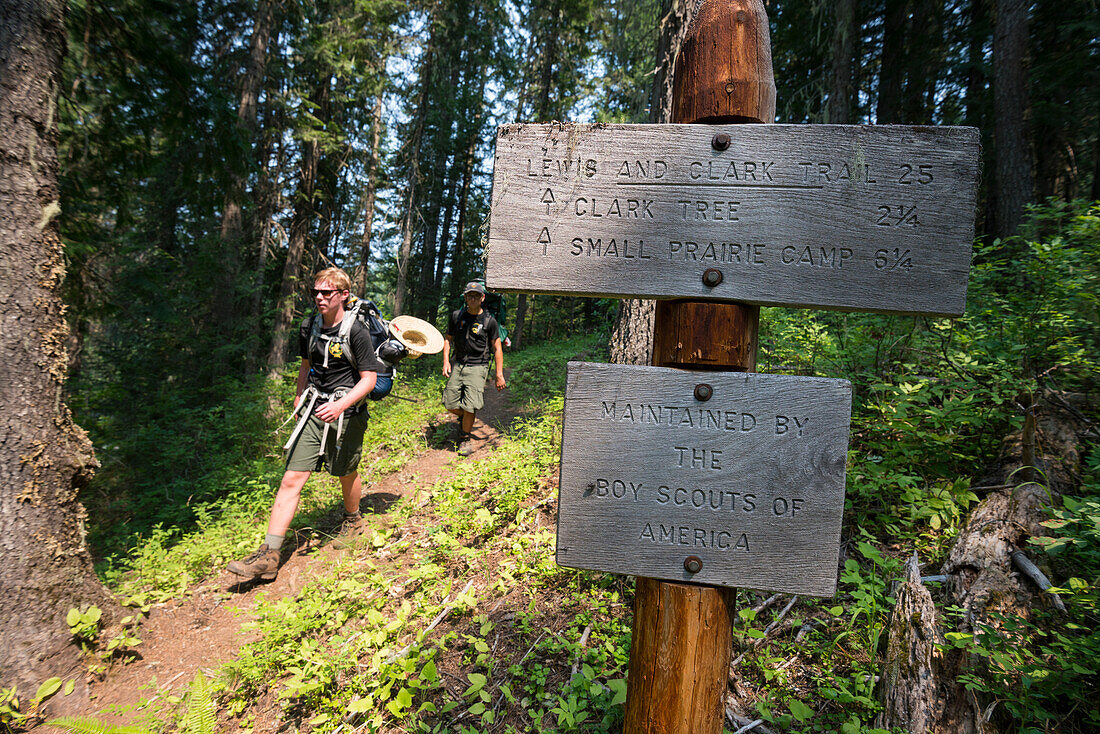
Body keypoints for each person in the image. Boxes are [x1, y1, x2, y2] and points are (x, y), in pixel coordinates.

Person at [228, 267, 387, 582]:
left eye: (326, 292)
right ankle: (270, 554)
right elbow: (306, 365)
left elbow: (369, 379)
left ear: (343, 295)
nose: (319, 297)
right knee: (291, 479)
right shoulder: (309, 325)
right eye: (315, 291)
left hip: (347, 414)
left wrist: (341, 404)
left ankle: (354, 520)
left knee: (345, 472)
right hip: (314, 410)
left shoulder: (356, 331)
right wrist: (300, 399)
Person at [442, 281, 506, 456]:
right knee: (449, 403)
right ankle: (465, 419)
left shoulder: (489, 321)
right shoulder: (457, 316)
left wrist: (499, 375)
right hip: (458, 364)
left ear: (482, 298)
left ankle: (464, 437)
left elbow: (497, 348)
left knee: (470, 406)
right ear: (465, 297)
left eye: (476, 295)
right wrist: (446, 362)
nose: (472, 298)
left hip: (479, 366)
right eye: (469, 295)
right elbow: (448, 339)